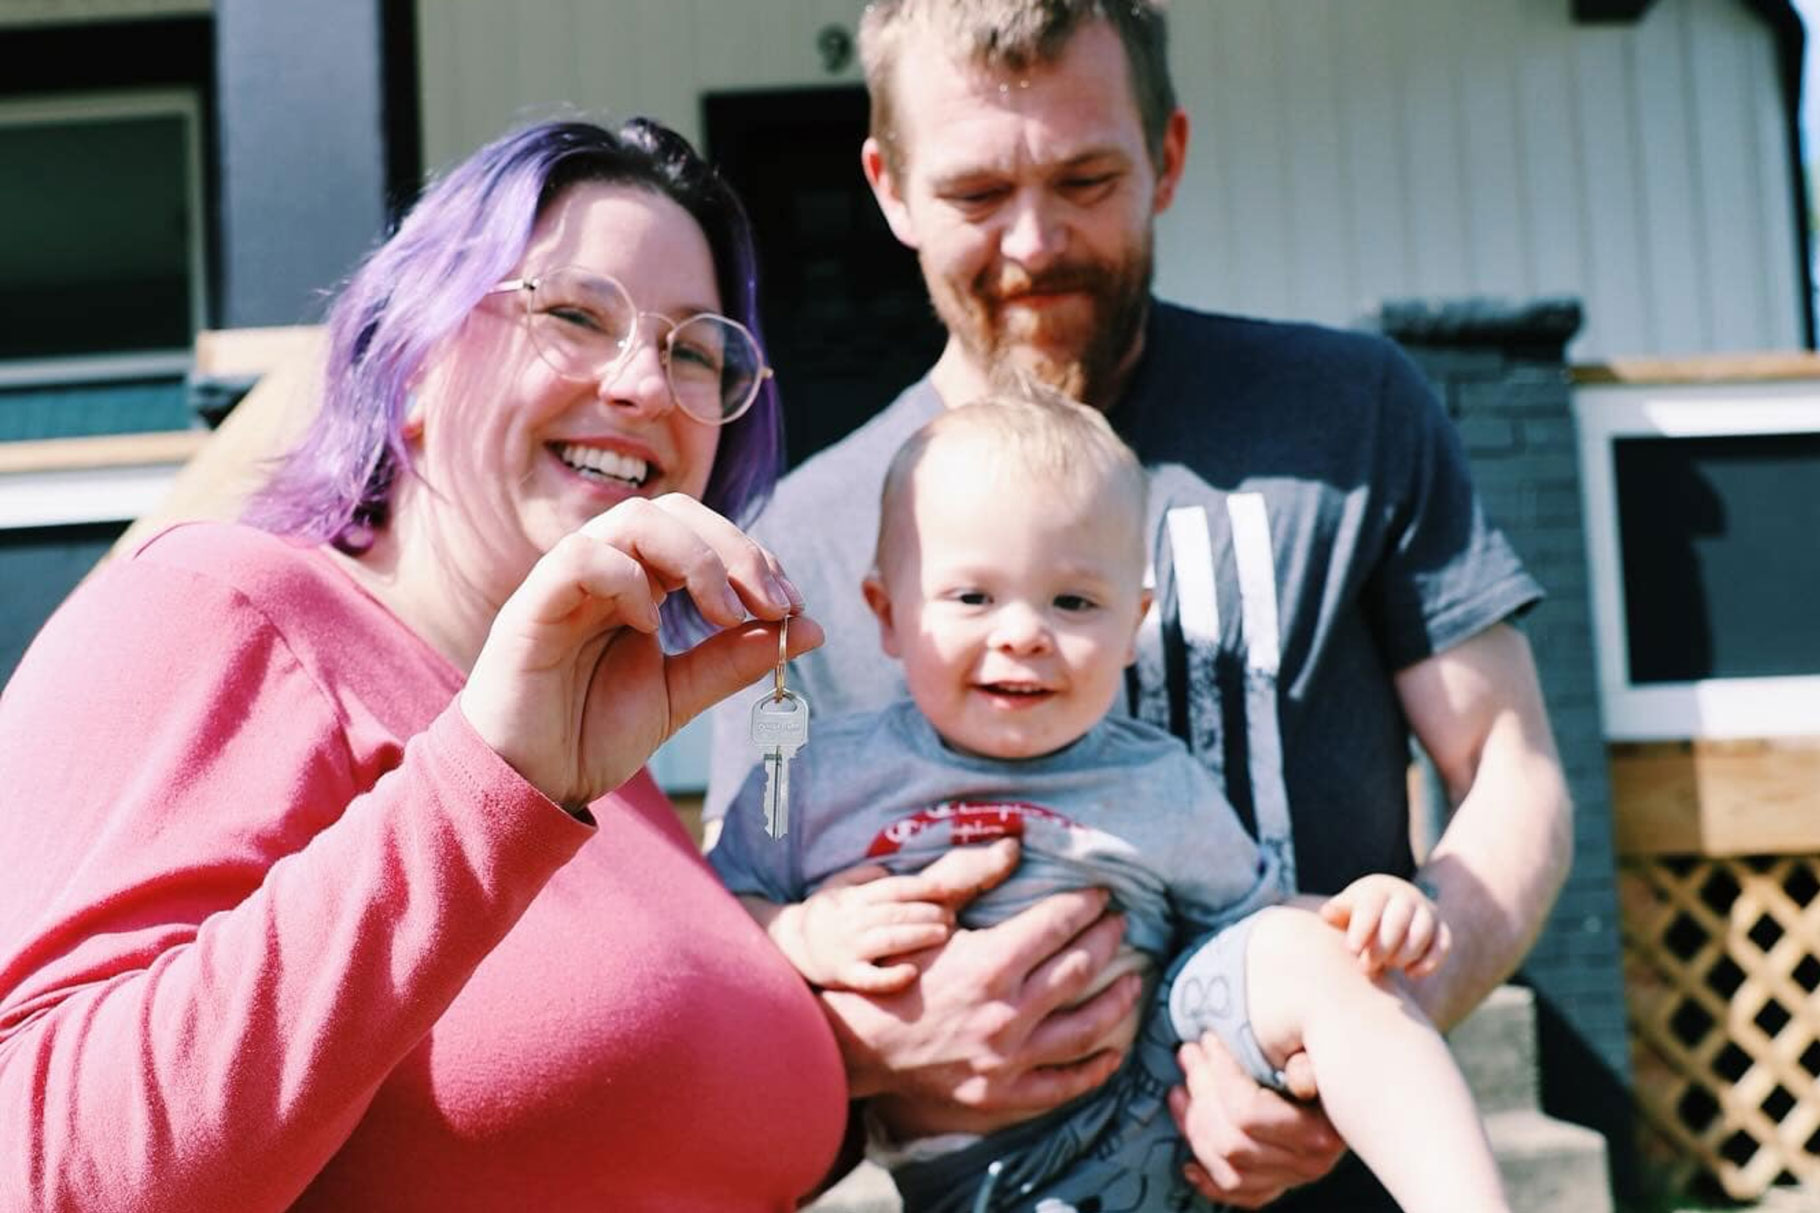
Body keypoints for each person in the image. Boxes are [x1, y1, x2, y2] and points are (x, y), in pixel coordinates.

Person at [705, 2, 1574, 1207]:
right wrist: (865, 1050)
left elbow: (1508, 768)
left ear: (1165, 156)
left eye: (1084, 177)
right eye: (972, 194)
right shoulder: (792, 544)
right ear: (888, 187)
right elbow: (728, 916)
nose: (1031, 242)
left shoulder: (1348, 418)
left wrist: (1346, 1029)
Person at [0, 117, 862, 1211]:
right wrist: (485, 777)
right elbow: (38, 1169)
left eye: (695, 349)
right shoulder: (223, 606)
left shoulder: (619, 764)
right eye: (572, 314)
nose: (646, 382)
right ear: (411, 356)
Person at [710, 390, 1512, 1213]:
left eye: (1074, 602)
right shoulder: (818, 777)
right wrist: (797, 931)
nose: (1023, 632)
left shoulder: (1158, 782)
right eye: (973, 597)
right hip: (968, 1177)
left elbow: (1252, 923)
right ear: (886, 614)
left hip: (1153, 1102)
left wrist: (1355, 918)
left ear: (1133, 625)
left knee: (1323, 957)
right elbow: (710, 922)